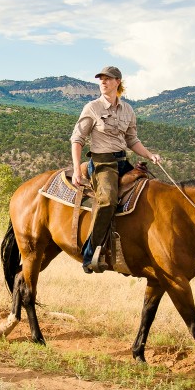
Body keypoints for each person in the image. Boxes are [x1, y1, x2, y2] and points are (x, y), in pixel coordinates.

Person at [70, 66, 162, 273]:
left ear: (118, 82)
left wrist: (149, 155)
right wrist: (77, 170)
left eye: (108, 79)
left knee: (150, 192)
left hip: (123, 161)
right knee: (108, 200)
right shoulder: (92, 107)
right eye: (101, 79)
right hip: (102, 164)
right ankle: (90, 254)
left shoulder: (128, 110)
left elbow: (132, 140)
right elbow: (77, 140)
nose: (103, 82)